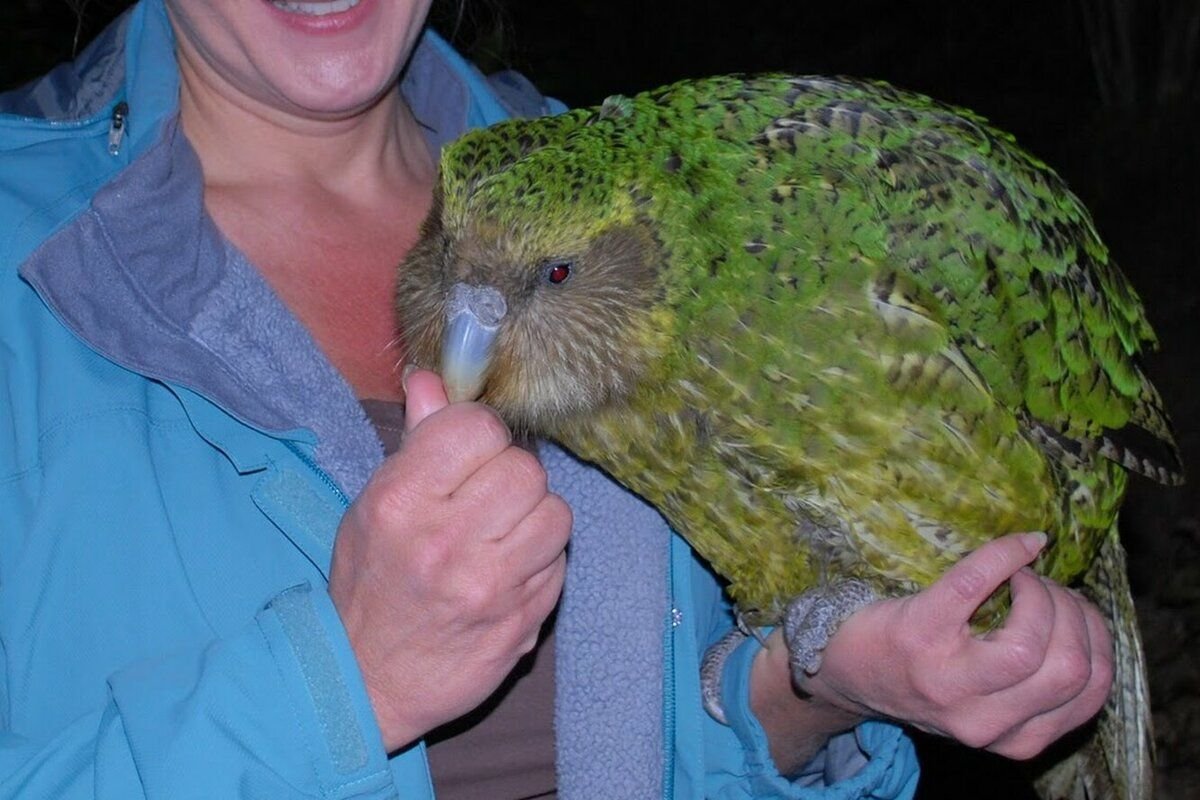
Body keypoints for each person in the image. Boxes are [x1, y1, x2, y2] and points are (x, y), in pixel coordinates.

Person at [0, 0, 1114, 797]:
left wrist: (823, 684)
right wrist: (342, 684)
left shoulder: (642, 207)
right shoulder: (24, 255)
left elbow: (692, 732)